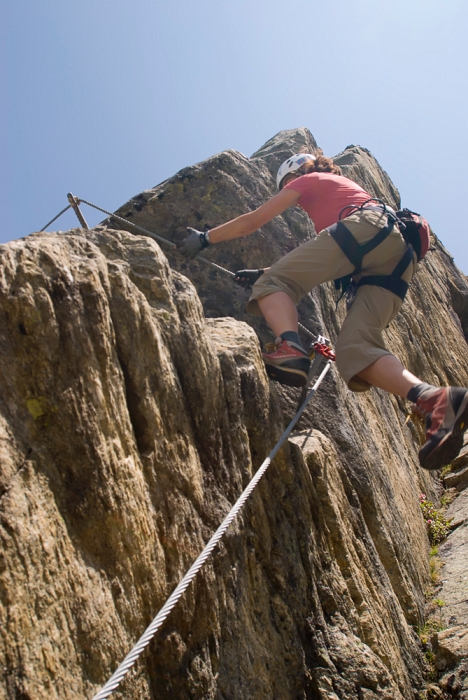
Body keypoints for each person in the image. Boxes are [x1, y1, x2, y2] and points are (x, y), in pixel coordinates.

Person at [177, 151, 468, 471]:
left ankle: (289, 347)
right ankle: (434, 399)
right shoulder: (342, 190)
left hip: (367, 232)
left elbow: (251, 222)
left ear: (295, 173)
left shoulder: (309, 179)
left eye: (285, 184)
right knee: (355, 350)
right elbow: (327, 252)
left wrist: (205, 238)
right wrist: (263, 271)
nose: (288, 191)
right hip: (397, 261)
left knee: (275, 284)